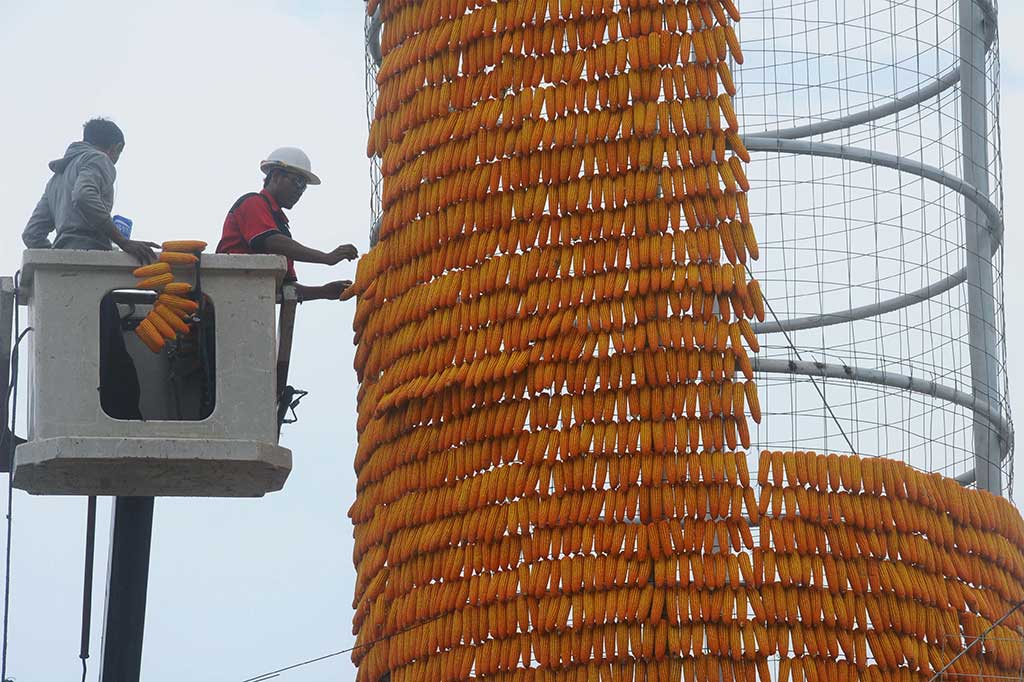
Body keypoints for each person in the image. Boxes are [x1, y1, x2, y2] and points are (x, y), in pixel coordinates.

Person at [23, 118, 159, 420]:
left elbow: (32, 234)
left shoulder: (57, 177)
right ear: (115, 148)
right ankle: (125, 421)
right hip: (90, 275)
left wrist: (59, 261)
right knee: (113, 358)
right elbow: (85, 197)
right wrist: (123, 242)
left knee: (81, 355)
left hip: (66, 283)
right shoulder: (99, 159)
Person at [216, 147, 358, 301]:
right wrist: (326, 258)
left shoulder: (280, 225)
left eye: (304, 186)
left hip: (249, 302)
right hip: (227, 294)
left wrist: (324, 291)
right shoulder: (253, 203)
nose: (300, 191)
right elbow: (271, 241)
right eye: (297, 182)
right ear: (276, 176)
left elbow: (284, 289)